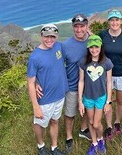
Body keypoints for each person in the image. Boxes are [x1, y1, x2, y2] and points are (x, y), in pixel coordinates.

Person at [36, 14, 92, 154]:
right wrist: (37, 81)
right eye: (76, 27)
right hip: (72, 85)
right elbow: (46, 59)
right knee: (70, 113)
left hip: (91, 84)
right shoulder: (65, 45)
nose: (79, 30)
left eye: (82, 26)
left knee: (88, 108)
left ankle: (83, 130)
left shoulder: (93, 41)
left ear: (87, 26)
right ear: (73, 27)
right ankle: (69, 137)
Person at [27, 24, 69, 155]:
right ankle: (41, 145)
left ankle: (54, 148)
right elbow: (30, 82)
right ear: (41, 36)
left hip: (60, 94)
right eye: (46, 37)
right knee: (39, 123)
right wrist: (35, 106)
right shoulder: (34, 57)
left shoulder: (58, 46)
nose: (49, 40)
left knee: (55, 121)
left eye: (52, 36)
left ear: (56, 36)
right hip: (45, 99)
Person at [78, 35, 113, 155]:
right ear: (88, 48)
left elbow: (109, 82)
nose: (94, 50)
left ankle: (100, 139)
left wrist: (108, 101)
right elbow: (81, 81)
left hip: (101, 97)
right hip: (87, 97)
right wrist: (80, 101)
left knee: (96, 123)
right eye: (91, 47)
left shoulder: (106, 62)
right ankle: (94, 143)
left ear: (101, 47)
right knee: (91, 121)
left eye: (96, 47)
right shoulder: (83, 62)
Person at [98, 9, 122, 140]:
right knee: (108, 100)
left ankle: (117, 122)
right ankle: (109, 126)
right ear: (108, 22)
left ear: (121, 21)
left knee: (121, 100)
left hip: (121, 73)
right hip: (106, 74)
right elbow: (94, 48)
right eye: (112, 20)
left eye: (117, 20)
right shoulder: (102, 34)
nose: (114, 22)